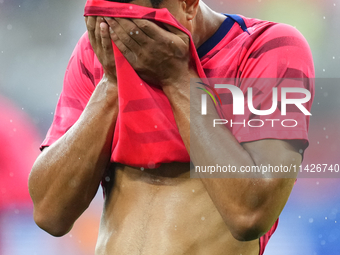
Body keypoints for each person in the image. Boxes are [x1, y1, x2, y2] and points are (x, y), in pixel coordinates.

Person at [28, 0, 314, 254]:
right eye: (105, 13)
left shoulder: (267, 49)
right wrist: (111, 84)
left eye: (132, 19)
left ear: (188, 5)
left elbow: (251, 213)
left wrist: (177, 79)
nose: (117, 30)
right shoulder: (97, 55)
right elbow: (49, 213)